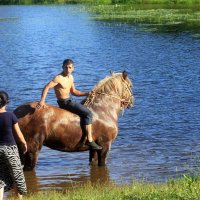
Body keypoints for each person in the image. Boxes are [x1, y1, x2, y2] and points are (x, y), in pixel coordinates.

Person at [36, 59, 102, 150]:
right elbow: (47, 87)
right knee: (88, 113)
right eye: (66, 67)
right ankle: (90, 140)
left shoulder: (71, 77)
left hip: (70, 100)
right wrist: (42, 100)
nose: (67, 69)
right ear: (62, 67)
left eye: (70, 68)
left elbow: (74, 92)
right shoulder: (58, 78)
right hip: (65, 103)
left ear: (73, 68)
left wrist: (88, 93)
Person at [0, 91, 27, 200]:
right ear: (7, 102)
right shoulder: (11, 116)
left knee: (1, 176)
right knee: (17, 174)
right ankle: (19, 198)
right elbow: (19, 134)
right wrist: (24, 143)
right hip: (10, 148)